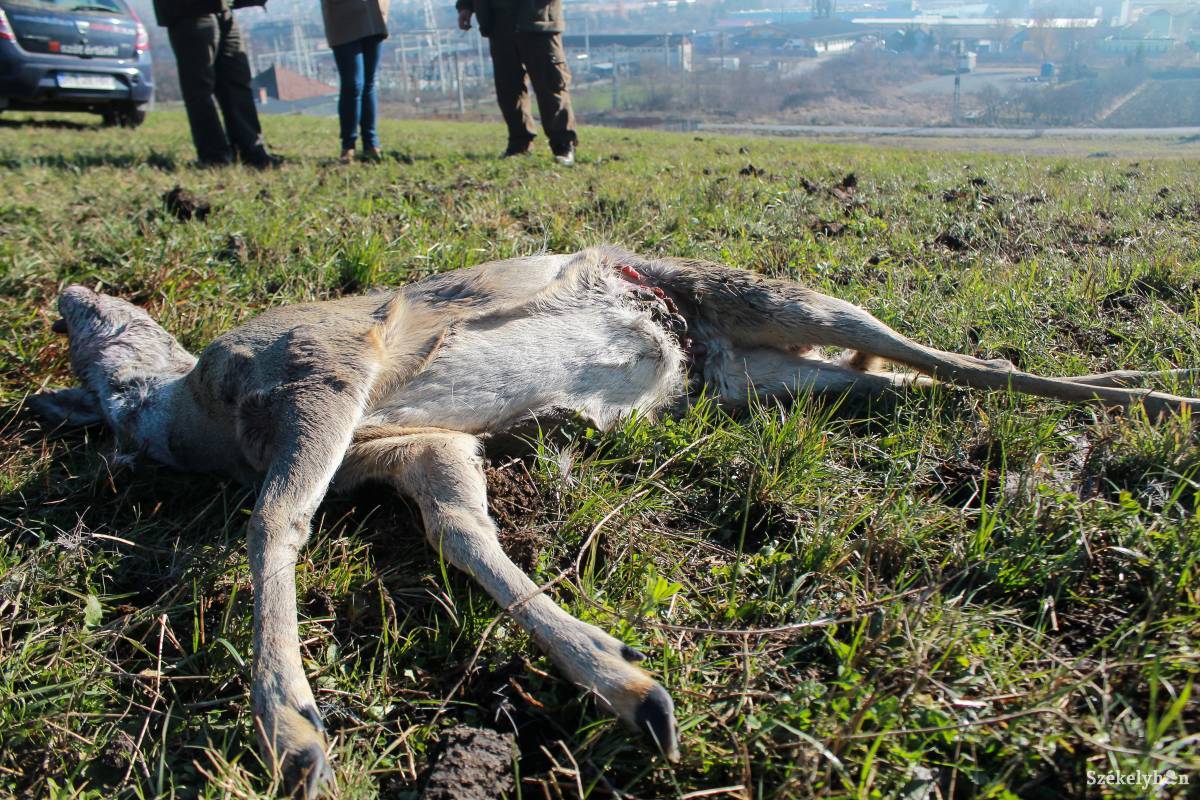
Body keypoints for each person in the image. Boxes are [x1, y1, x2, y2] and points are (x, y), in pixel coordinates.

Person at [151, 0, 278, 168]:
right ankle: (215, 157)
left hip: (223, 9)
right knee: (200, 88)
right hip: (190, 10)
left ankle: (251, 153)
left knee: (237, 81)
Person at [456, 0, 577, 165]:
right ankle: (519, 145)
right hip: (498, 23)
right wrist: (466, 6)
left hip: (537, 18)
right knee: (508, 88)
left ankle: (563, 145)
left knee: (550, 84)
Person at [321, 0, 390, 164]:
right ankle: (348, 145)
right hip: (342, 15)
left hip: (373, 14)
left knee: (368, 83)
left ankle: (371, 143)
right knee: (353, 84)